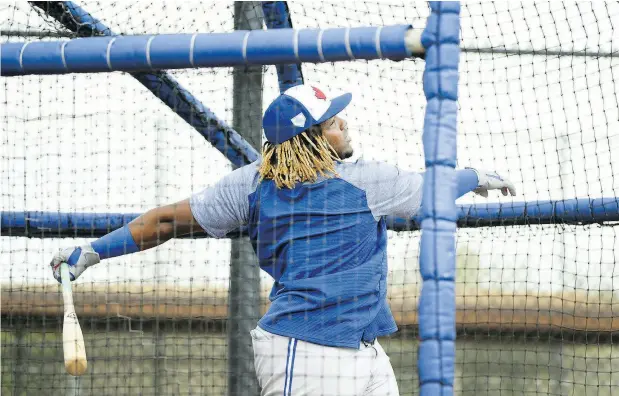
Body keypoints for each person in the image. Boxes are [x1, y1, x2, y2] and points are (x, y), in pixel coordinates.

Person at [50, 84, 516, 395]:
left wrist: (91, 251)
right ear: (312, 140)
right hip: (304, 350)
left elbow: (165, 222)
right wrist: (473, 175)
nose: (344, 125)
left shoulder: (250, 184)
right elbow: (434, 189)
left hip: (365, 349)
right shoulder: (364, 182)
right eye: (334, 122)